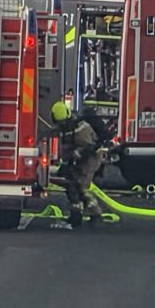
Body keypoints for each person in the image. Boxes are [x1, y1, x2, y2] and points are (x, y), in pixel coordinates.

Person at [51, 93, 105, 225]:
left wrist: (74, 155)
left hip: (92, 158)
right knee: (72, 184)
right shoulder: (69, 127)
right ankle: (77, 211)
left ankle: (96, 214)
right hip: (82, 158)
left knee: (81, 186)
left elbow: (89, 148)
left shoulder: (81, 128)